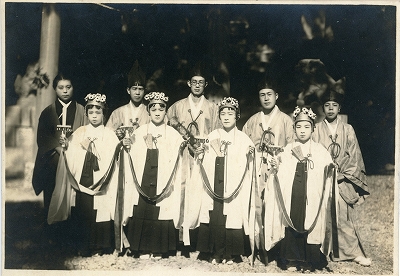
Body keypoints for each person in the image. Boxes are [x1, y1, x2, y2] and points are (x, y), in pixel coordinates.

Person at [185, 97, 255, 264]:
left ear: (237, 115)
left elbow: (249, 164)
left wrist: (250, 155)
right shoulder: (212, 135)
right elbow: (203, 160)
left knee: (232, 216)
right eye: (223, 113)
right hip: (214, 183)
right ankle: (214, 252)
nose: (226, 117)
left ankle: (231, 253)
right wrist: (200, 153)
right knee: (214, 215)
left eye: (230, 113)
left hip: (233, 186)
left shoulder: (243, 138)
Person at [266, 106, 335, 272]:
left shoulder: (320, 151)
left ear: (313, 128)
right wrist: (276, 166)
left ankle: (308, 260)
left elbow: (327, 171)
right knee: (293, 220)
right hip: (293, 194)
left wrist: (329, 169)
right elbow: (279, 172)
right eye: (298, 126)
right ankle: (291, 259)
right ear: (294, 128)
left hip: (311, 194)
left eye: (306, 127)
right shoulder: (288, 149)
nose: (302, 131)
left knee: (310, 221)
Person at [313, 79, 371, 266]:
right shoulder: (316, 130)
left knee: (343, 215)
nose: (330, 109)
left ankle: (352, 252)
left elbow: (355, 157)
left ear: (339, 108)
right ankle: (323, 251)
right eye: (327, 105)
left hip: (342, 180)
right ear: (323, 108)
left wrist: (341, 175)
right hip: (322, 180)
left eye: (334, 105)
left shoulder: (348, 129)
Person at [56, 93, 120, 256]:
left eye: (98, 113)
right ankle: (82, 245)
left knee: (101, 209)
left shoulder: (109, 134)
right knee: (83, 209)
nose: (94, 116)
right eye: (91, 113)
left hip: (100, 179)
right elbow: (70, 152)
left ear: (103, 114)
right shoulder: (80, 132)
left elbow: (113, 154)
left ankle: (99, 245)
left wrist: (98, 150)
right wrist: (66, 145)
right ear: (87, 114)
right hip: (83, 178)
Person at [167, 66, 222, 255]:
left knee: (200, 195)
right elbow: (170, 132)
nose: (197, 86)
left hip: (203, 156)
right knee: (181, 194)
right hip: (182, 157)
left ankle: (199, 239)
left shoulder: (214, 109)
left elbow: (217, 134)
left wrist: (205, 148)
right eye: (194, 82)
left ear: (205, 85)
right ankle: (181, 240)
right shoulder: (176, 107)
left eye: (201, 82)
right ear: (188, 84)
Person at [123, 92, 184, 259]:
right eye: (153, 109)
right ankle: (140, 247)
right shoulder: (139, 131)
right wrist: (127, 146)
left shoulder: (173, 134)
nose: (157, 112)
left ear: (165, 112)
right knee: (143, 208)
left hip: (163, 179)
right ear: (148, 112)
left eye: (161, 109)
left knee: (162, 210)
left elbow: (178, 157)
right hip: (144, 177)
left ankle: (159, 248)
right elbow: (131, 157)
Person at [242, 79, 295, 263]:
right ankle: (256, 245)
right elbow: (244, 144)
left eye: (269, 94)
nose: (266, 98)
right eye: (262, 95)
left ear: (276, 96)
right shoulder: (253, 120)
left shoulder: (286, 120)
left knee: (275, 206)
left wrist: (279, 160)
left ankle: (276, 247)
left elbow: (291, 147)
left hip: (276, 168)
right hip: (257, 168)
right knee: (257, 205)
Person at [32, 73, 86, 222]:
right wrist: (57, 147)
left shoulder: (82, 111)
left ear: (73, 88)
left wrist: (73, 147)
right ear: (55, 89)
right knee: (52, 194)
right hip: (53, 162)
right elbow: (42, 137)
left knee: (74, 199)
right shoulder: (48, 112)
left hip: (75, 163)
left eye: (68, 87)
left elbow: (88, 134)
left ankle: (71, 234)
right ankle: (52, 234)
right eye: (61, 87)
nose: (65, 91)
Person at [106, 60, 150, 138]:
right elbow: (108, 135)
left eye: (140, 89)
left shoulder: (149, 112)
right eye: (134, 88)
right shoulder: (118, 112)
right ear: (128, 90)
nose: (137, 92)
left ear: (144, 91)